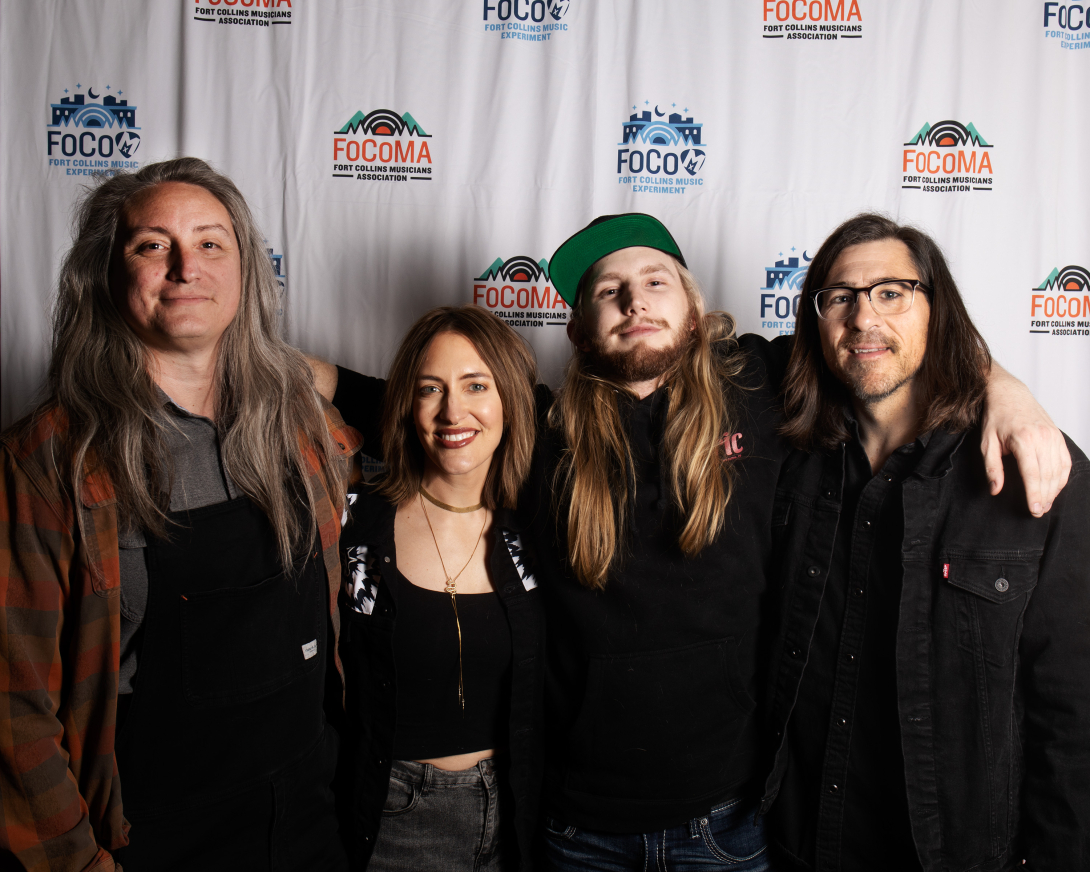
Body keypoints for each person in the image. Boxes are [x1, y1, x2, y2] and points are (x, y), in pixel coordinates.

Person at [311, 213, 1071, 872]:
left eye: (655, 281)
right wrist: (290, 369)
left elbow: (882, 343)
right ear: (578, 329)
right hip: (578, 828)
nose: (634, 301)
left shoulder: (764, 384)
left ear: (695, 306)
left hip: (730, 825)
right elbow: (417, 407)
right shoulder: (544, 434)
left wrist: (1005, 391)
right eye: (608, 291)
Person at [0, 158, 358, 871]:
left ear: (245, 272)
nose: (185, 267)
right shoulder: (49, 460)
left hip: (309, 817)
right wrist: (78, 863)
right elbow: (13, 707)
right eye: (152, 245)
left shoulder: (304, 422)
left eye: (210, 243)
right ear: (107, 274)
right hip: (149, 834)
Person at [759, 213, 1090, 870]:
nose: (863, 318)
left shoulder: (1037, 470)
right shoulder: (787, 455)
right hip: (796, 845)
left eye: (892, 293)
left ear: (938, 312)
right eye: (840, 297)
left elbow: (1074, 715)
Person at [337, 307, 544, 871]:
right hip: (395, 820)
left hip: (522, 819)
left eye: (476, 385)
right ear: (407, 405)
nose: (453, 411)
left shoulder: (540, 529)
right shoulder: (355, 527)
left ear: (510, 400)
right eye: (431, 389)